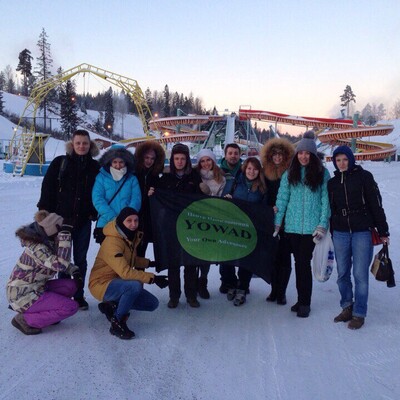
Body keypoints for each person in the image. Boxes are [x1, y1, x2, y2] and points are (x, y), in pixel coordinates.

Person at [328, 146, 389, 330]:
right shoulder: (332, 183)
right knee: (342, 273)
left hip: (362, 231)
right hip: (340, 232)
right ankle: (347, 306)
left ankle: (359, 313)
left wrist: (383, 231)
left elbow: (376, 204)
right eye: (338, 160)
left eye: (345, 159)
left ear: (351, 159)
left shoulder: (364, 177)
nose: (342, 163)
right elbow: (330, 209)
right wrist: (330, 229)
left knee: (360, 275)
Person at [37, 129, 100, 310]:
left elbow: (100, 191)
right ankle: (63, 296)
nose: (81, 146)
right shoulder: (60, 163)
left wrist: (94, 212)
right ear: (72, 144)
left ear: (90, 145)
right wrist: (44, 211)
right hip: (61, 222)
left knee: (80, 259)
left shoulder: (95, 167)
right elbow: (47, 188)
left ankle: (79, 296)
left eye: (85, 143)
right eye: (78, 143)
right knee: (62, 260)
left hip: (82, 221)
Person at [88, 207, 168, 340]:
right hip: (101, 284)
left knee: (152, 303)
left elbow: (131, 260)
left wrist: (151, 263)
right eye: (129, 221)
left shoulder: (128, 237)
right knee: (134, 286)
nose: (133, 224)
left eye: (136, 220)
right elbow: (125, 272)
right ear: (121, 222)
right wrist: (153, 278)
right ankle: (117, 322)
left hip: (118, 282)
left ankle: (111, 306)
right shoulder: (113, 242)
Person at [274, 131, 330, 318]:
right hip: (292, 227)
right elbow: (282, 199)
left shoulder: (322, 174)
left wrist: (322, 224)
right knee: (298, 263)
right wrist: (277, 223)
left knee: (303, 264)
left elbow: (326, 201)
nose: (304, 157)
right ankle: (300, 300)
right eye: (301, 153)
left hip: (311, 229)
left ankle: (305, 302)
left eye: (307, 153)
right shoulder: (290, 173)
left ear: (313, 155)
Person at [6, 210, 82, 335]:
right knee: (71, 307)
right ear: (53, 231)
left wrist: (73, 270)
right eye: (60, 231)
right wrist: (65, 236)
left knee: (71, 285)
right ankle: (24, 320)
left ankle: (47, 314)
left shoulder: (47, 241)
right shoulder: (38, 248)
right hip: (22, 295)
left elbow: (58, 261)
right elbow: (60, 265)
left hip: (37, 287)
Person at [157, 143, 203, 308]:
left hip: (190, 226)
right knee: (174, 263)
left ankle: (191, 295)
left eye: (183, 158)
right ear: (172, 160)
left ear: (187, 160)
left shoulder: (194, 177)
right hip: (172, 226)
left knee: (190, 262)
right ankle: (174, 296)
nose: (179, 162)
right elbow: (158, 198)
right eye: (176, 158)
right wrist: (152, 193)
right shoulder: (166, 178)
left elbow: (201, 199)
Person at [222, 157, 268, 306]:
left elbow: (264, 208)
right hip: (233, 227)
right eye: (249, 168)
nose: (251, 172)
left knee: (247, 259)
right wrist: (227, 198)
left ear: (259, 171)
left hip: (250, 229)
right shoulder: (235, 183)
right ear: (244, 169)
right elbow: (224, 199)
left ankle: (242, 287)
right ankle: (231, 283)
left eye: (255, 169)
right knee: (228, 257)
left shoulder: (262, 188)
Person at [261, 138, 295, 305]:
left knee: (284, 256)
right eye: (274, 154)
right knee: (272, 256)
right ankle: (274, 289)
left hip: (287, 220)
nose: (277, 157)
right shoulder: (264, 172)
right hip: (269, 218)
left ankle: (282, 292)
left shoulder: (291, 173)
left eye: (281, 154)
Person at [92, 144, 141, 244]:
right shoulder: (101, 177)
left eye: (121, 162)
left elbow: (136, 199)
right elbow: (97, 199)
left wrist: (127, 217)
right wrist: (112, 217)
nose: (118, 166)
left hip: (127, 225)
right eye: (115, 162)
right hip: (106, 223)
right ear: (110, 162)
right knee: (108, 252)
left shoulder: (132, 179)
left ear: (126, 162)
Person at [195, 148, 226, 299]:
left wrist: (209, 193)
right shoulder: (195, 176)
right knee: (194, 250)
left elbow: (220, 199)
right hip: (195, 218)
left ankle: (203, 281)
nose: (206, 163)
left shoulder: (221, 178)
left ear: (213, 161)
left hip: (211, 219)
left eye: (208, 160)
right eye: (202, 161)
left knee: (206, 252)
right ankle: (193, 281)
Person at [133, 140, 166, 257]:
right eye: (146, 157)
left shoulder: (156, 177)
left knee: (141, 253)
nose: (149, 161)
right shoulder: (132, 173)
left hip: (146, 221)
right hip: (131, 217)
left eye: (152, 158)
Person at [219, 143, 243, 294]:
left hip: (240, 214)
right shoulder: (219, 171)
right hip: (222, 213)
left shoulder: (245, 170)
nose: (233, 156)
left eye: (236, 153)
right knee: (224, 248)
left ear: (240, 155)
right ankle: (226, 280)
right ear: (225, 155)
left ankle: (241, 281)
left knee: (241, 247)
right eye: (230, 153)